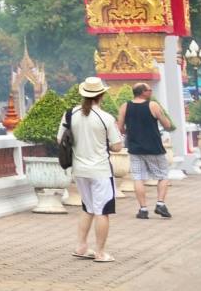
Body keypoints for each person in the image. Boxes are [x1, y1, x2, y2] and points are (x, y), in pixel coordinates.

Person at [66, 76, 123, 263]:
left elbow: (61, 140)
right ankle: (100, 252)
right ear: (101, 95)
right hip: (100, 170)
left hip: (79, 169)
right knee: (102, 211)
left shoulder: (70, 114)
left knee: (87, 208)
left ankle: (81, 246)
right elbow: (117, 146)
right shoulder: (106, 118)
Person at [122, 82, 175, 220]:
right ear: (143, 92)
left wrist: (130, 133)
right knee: (163, 175)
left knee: (138, 177)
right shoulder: (153, 105)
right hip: (154, 147)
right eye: (149, 90)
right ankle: (160, 204)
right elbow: (167, 124)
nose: (151, 92)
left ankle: (143, 209)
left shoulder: (125, 106)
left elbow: (120, 127)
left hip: (135, 148)